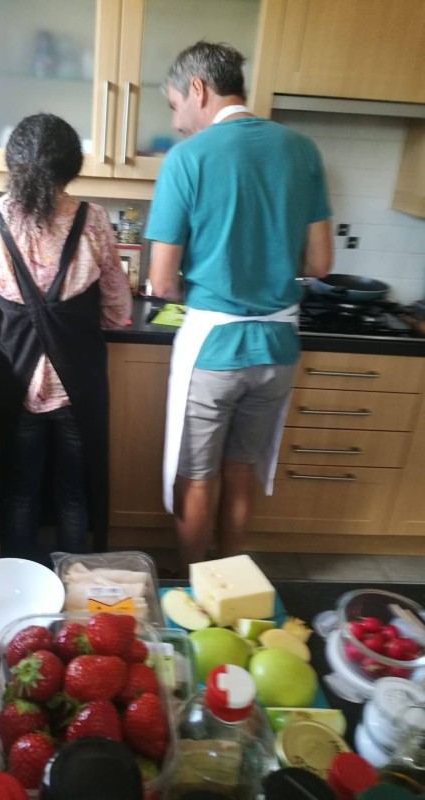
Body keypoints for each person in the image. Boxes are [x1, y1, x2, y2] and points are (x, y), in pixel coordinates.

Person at [145, 41, 332, 571]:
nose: (176, 121)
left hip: (213, 351)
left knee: (197, 476)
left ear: (198, 88)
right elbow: (321, 263)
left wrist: (206, 282)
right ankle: (230, 584)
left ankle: (193, 588)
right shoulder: (302, 150)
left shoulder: (187, 159)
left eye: (174, 105)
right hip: (278, 348)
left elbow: (161, 281)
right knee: (242, 468)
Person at [0, 113, 132, 564]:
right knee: (74, 490)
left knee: (21, 486)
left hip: (17, 381)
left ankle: (22, 576)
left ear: (12, 162)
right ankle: (73, 577)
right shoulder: (93, 220)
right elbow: (118, 310)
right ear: (72, 166)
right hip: (78, 382)